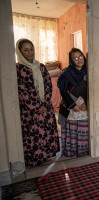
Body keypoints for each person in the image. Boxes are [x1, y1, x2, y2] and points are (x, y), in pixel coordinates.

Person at [16, 38, 60, 167]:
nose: (30, 52)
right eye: (26, 50)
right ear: (20, 51)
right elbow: (21, 91)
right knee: (34, 135)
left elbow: (48, 85)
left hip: (45, 108)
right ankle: (35, 159)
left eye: (32, 49)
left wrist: (45, 104)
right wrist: (36, 106)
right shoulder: (18, 69)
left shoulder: (41, 67)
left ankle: (47, 155)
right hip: (30, 111)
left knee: (47, 132)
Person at [57, 48, 88, 157]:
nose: (79, 60)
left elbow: (91, 89)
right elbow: (63, 91)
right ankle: (71, 152)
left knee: (83, 128)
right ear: (71, 60)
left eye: (80, 57)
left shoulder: (88, 71)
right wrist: (73, 105)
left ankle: (82, 151)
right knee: (72, 129)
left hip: (84, 106)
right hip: (70, 105)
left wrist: (87, 103)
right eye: (75, 58)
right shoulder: (66, 73)